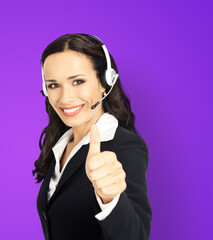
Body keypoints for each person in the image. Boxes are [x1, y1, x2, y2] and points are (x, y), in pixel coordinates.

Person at [32, 33, 152, 240]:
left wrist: (110, 199)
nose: (65, 98)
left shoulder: (126, 146)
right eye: (53, 85)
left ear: (105, 81)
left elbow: (136, 236)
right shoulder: (61, 144)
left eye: (78, 81)